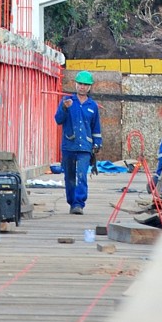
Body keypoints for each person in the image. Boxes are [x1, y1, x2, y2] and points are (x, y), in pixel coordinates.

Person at [54, 70, 102, 214]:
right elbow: (58, 119)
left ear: (89, 87)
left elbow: (96, 126)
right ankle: (71, 202)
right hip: (69, 146)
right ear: (76, 84)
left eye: (86, 85)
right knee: (69, 176)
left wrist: (97, 143)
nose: (82, 87)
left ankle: (79, 204)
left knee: (81, 175)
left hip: (85, 148)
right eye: (80, 84)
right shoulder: (67, 102)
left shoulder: (92, 106)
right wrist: (64, 108)